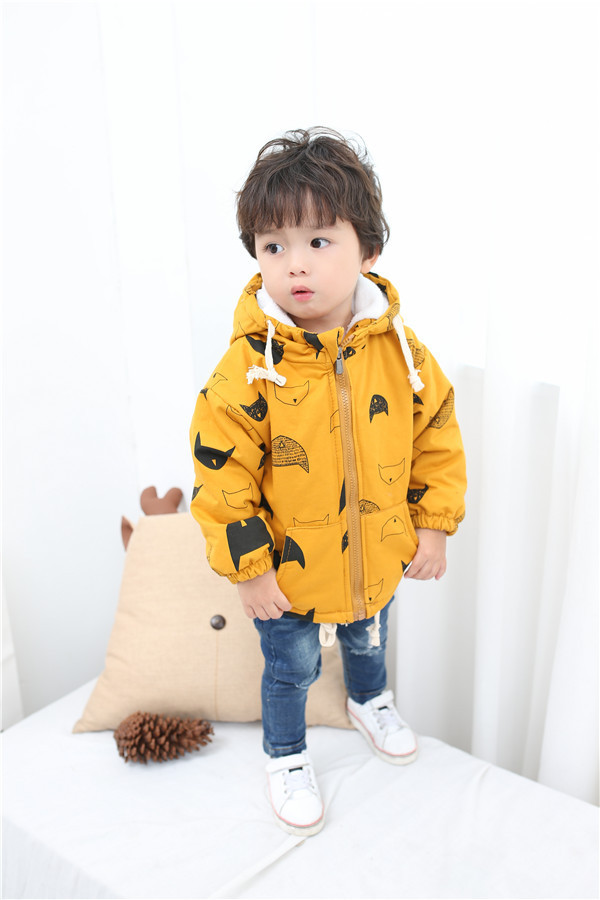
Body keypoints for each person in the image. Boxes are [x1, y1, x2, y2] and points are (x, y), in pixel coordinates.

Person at [190, 128, 466, 837]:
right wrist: (250, 569)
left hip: (377, 552)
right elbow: (221, 477)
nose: (294, 264)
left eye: (318, 240)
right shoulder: (247, 370)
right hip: (286, 574)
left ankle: (370, 701)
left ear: (368, 249)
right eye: (273, 246)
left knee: (370, 640)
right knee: (291, 669)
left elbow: (436, 435)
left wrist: (433, 524)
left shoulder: (403, 354)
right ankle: (286, 755)